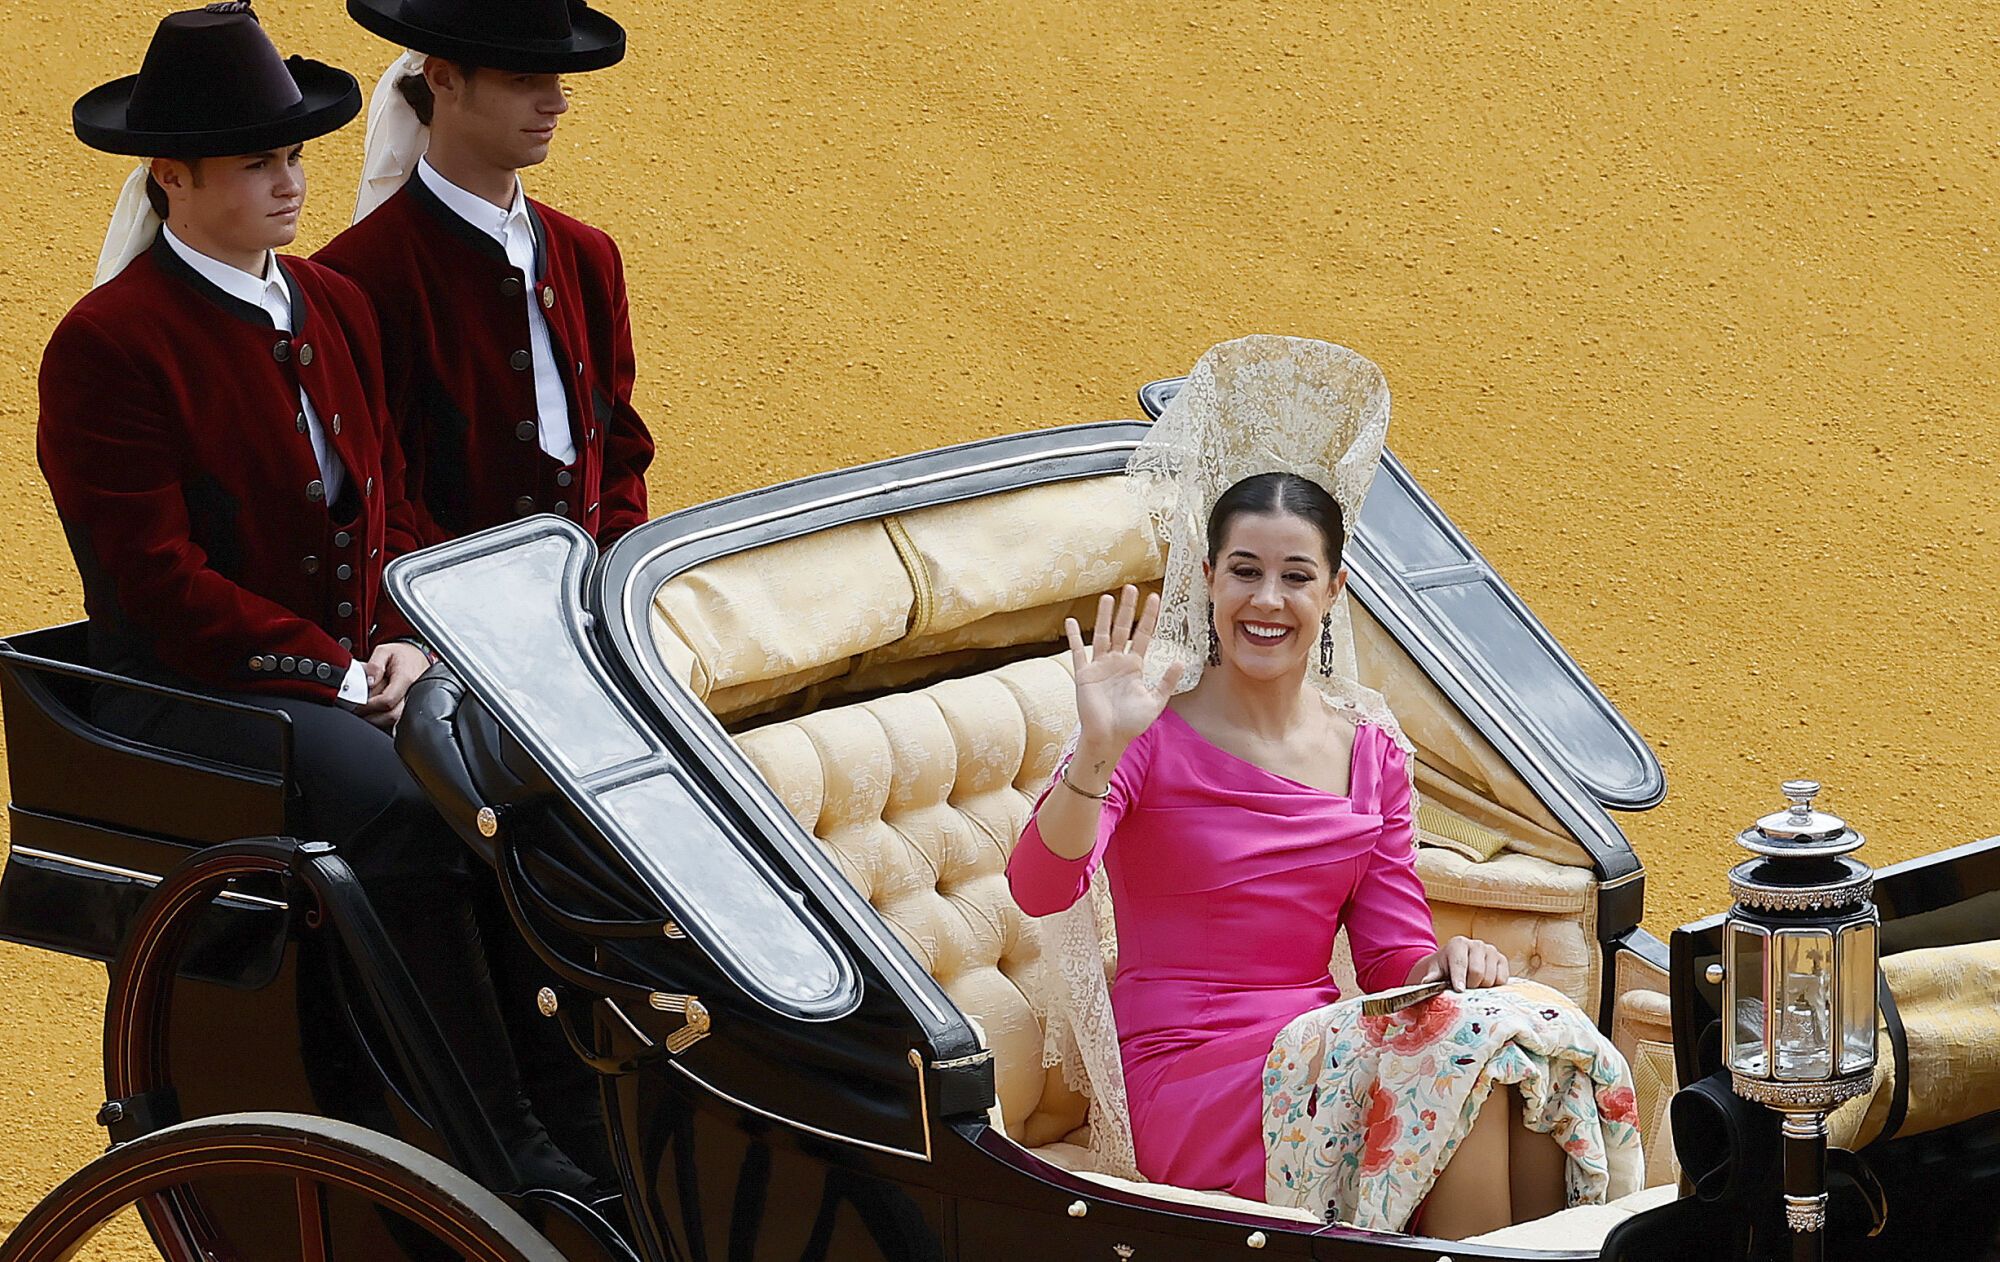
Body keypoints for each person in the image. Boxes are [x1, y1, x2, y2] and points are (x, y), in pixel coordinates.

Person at [39, 4, 601, 1199]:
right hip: (192, 692)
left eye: (293, 155)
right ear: (172, 177)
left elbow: (388, 508)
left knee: (523, 773)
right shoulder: (109, 343)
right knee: (408, 804)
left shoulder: (332, 305)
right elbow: (161, 585)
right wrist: (339, 673)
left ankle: (582, 1110)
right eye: (257, 162)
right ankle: (496, 1140)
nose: (291, 182)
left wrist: (405, 640)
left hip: (353, 675)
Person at [1006, 337, 1640, 1239]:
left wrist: (1451, 969)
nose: (1267, 600)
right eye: (1245, 571)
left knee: (1524, 1043)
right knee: (1463, 1059)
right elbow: (1039, 887)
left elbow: (1391, 959)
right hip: (1192, 1075)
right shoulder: (1145, 731)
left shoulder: (1371, 752)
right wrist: (1097, 753)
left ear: (1334, 589)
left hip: (1325, 1052)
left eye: (1295, 576)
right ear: (1207, 579)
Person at [315, 0, 653, 548]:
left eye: (558, 80)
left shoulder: (589, 257)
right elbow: (378, 491)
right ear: (443, 78)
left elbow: (620, 450)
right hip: (437, 595)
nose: (557, 103)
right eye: (524, 80)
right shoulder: (356, 276)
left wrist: (615, 569)